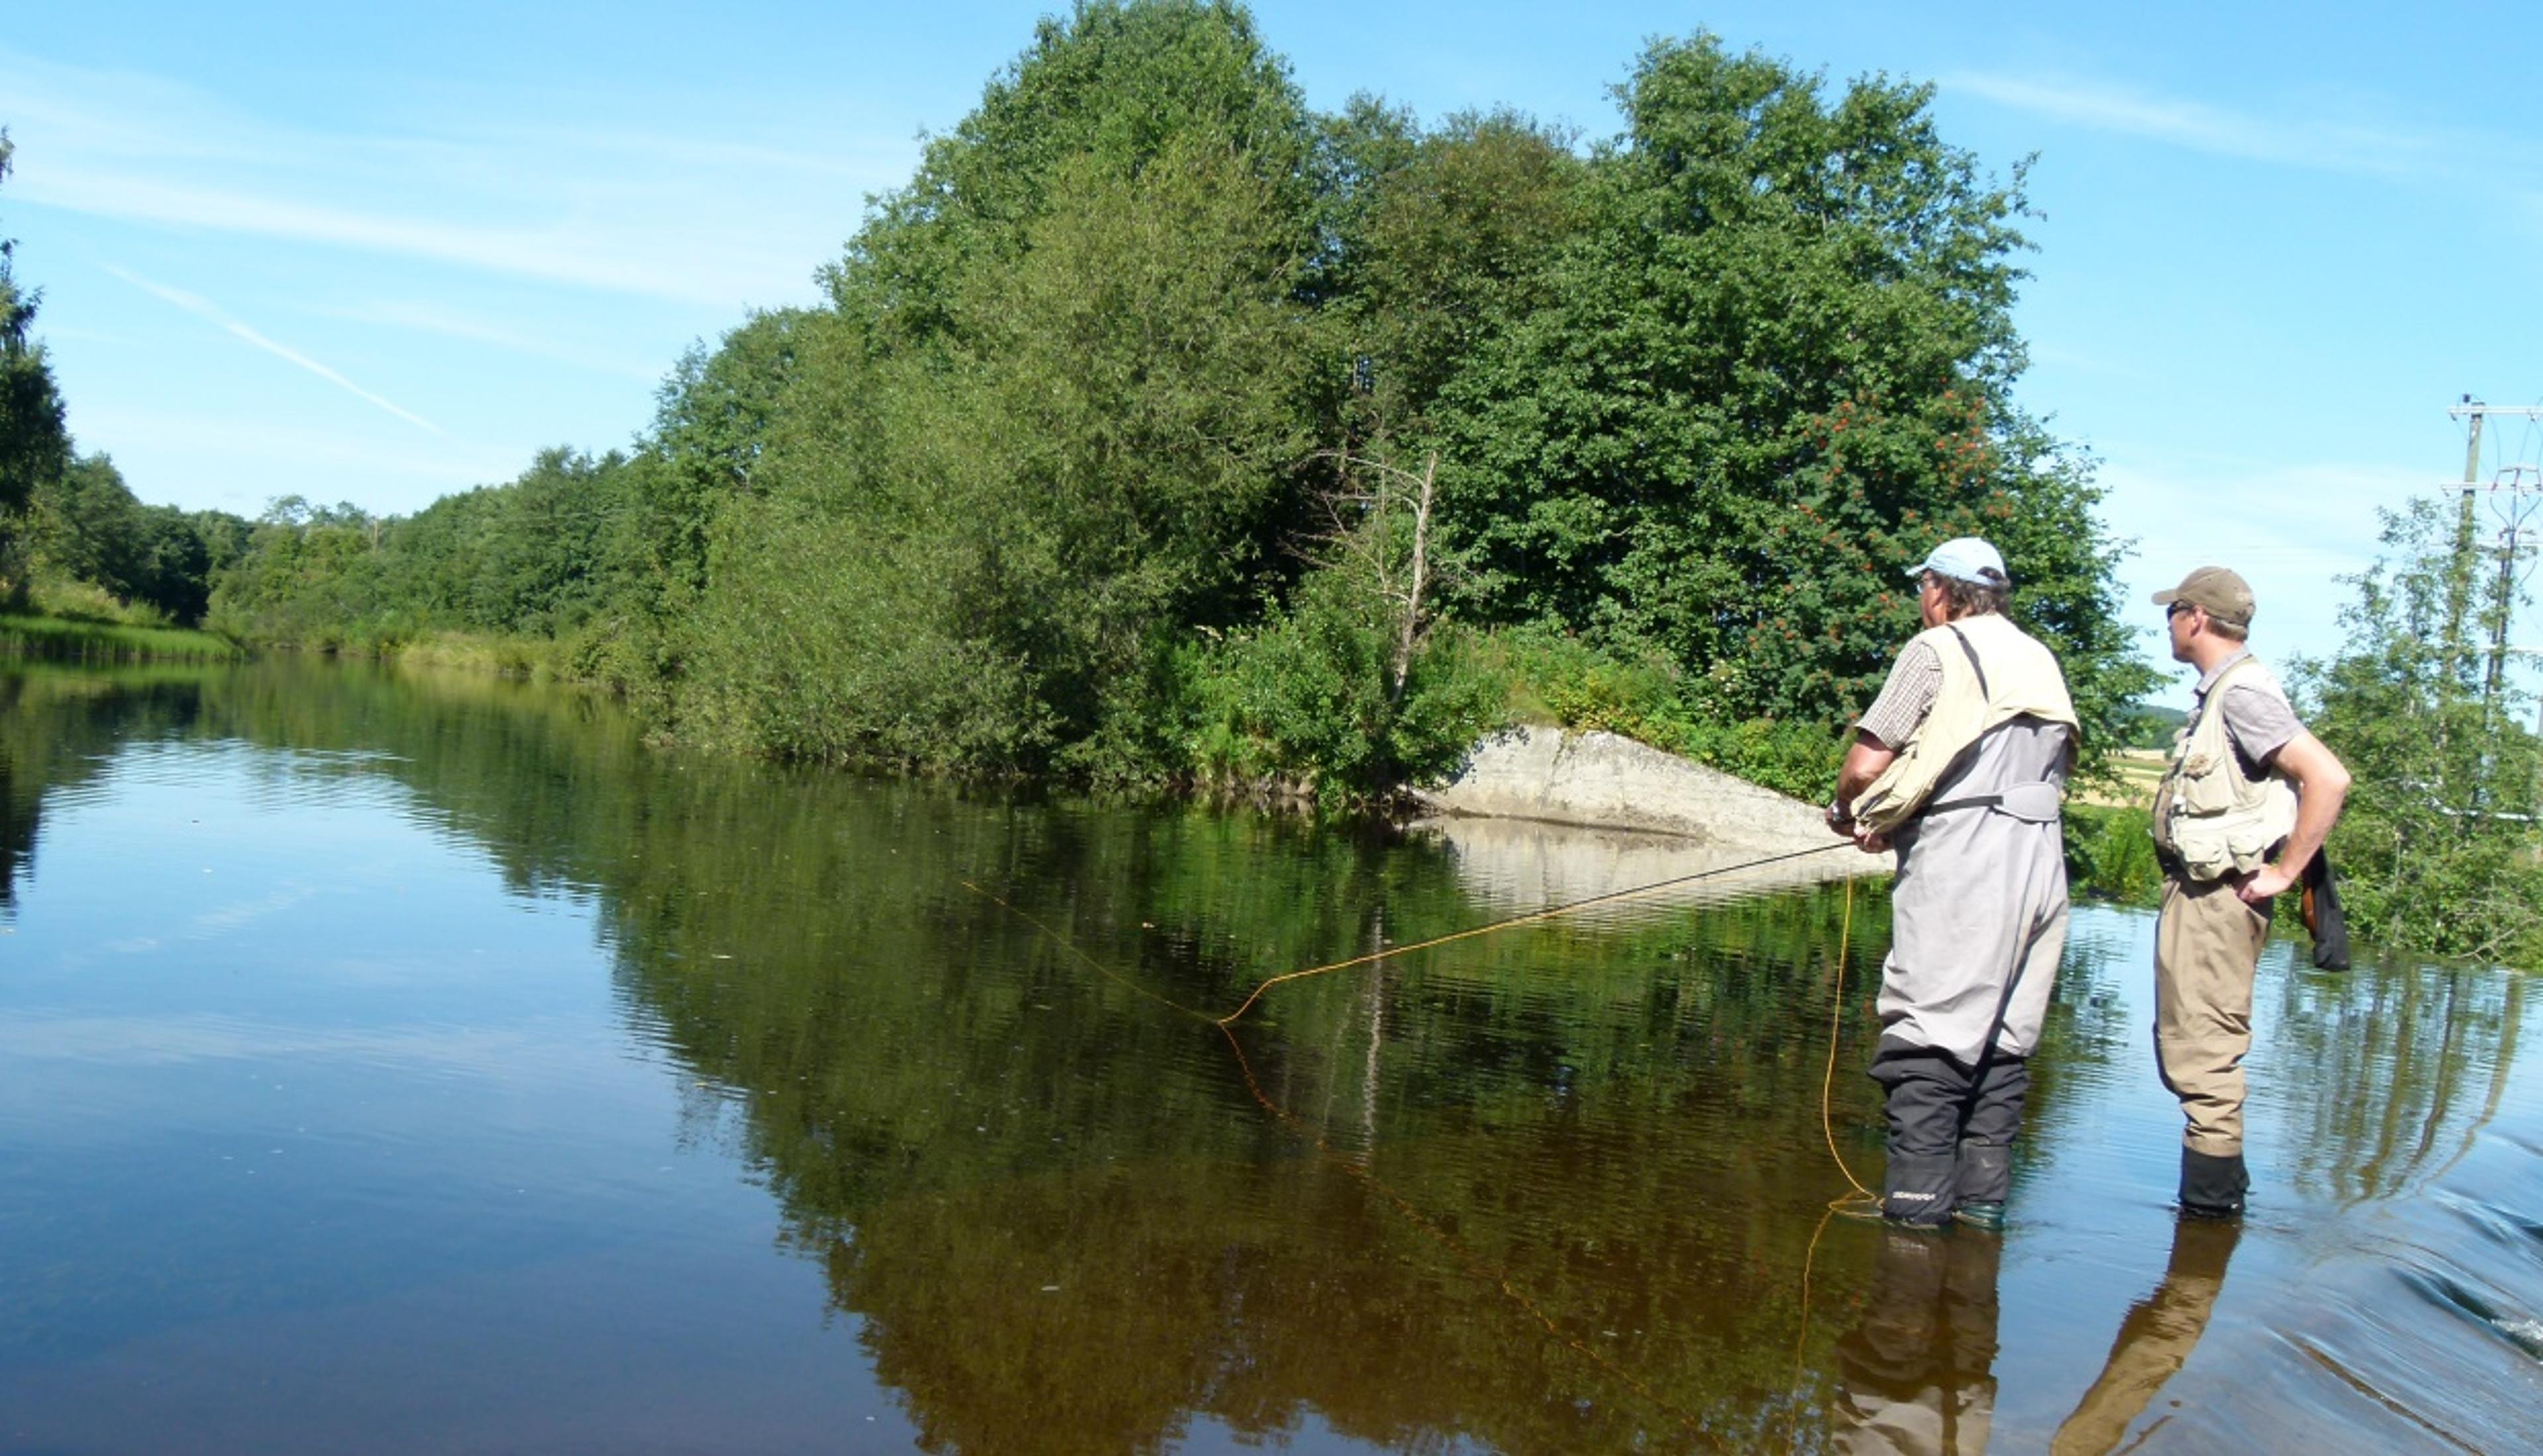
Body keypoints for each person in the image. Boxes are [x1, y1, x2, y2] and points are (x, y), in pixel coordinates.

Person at [1828, 538, 2078, 1230]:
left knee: (1927, 1036)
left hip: (1967, 863)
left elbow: (1867, 763)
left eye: (1923, 588)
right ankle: (1979, 1216)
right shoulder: (2040, 658)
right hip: (2043, 864)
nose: (1921, 601)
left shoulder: (1934, 650)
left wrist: (1849, 813)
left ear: (1941, 590)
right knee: (2003, 1040)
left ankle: (1914, 1224)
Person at [2147, 567, 2350, 1218]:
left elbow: (2328, 777)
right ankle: (2208, 1236)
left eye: (2172, 612)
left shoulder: (2241, 694)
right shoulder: (2221, 694)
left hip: (2220, 900)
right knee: (2192, 1054)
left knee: (2205, 1067)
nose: (2168, 625)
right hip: (2203, 895)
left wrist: (2287, 873)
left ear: (2196, 618)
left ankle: (2206, 1234)